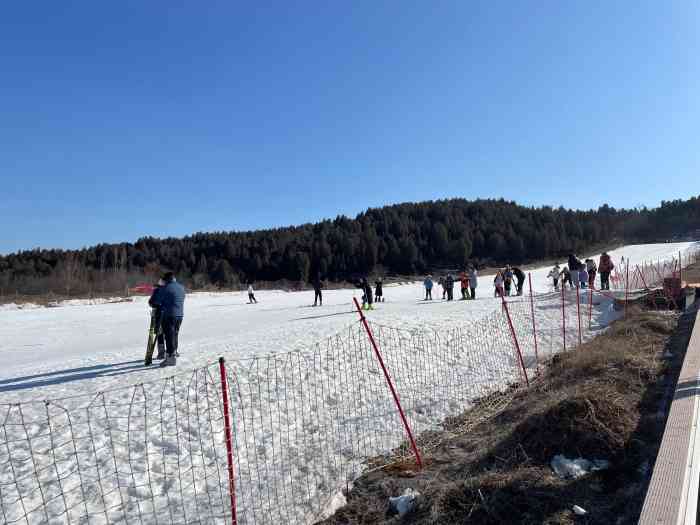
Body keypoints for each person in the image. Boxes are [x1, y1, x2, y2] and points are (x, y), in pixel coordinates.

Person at [151, 272, 185, 367]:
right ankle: (174, 352)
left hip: (169, 315)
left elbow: (154, 302)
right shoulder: (181, 287)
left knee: (169, 336)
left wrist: (157, 291)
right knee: (174, 334)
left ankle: (170, 357)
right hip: (180, 315)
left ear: (166, 280)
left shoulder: (165, 288)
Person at [148, 280, 166, 359]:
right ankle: (172, 351)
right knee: (169, 334)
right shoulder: (170, 290)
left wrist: (156, 305)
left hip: (159, 314)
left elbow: (151, 302)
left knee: (160, 334)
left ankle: (161, 353)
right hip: (170, 314)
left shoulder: (157, 291)